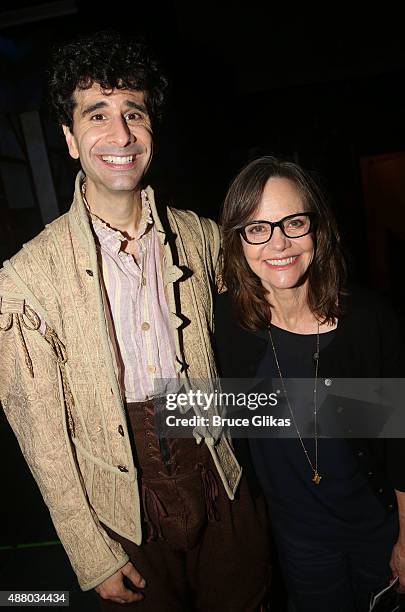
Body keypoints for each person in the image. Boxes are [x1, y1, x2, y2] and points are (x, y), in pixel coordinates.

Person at [0, 31, 270, 610]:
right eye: (96, 115)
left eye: (133, 113)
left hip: (218, 476)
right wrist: (88, 550)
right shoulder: (26, 278)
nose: (119, 135)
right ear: (71, 139)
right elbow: (41, 435)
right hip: (119, 503)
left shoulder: (200, 237)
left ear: (152, 129)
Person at [215, 155, 405, 612]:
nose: (278, 243)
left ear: (317, 228)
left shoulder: (367, 322)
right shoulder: (228, 325)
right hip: (298, 546)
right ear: (239, 241)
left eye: (293, 222)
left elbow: (400, 443)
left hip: (377, 534)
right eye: (258, 228)